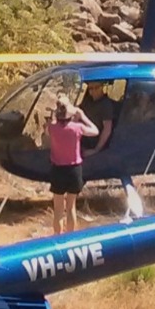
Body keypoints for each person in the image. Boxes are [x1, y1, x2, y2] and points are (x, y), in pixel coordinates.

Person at [45, 96, 100, 233]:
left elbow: (47, 130)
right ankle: (70, 238)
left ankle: (57, 238)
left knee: (58, 210)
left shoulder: (52, 128)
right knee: (71, 207)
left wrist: (53, 118)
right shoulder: (78, 128)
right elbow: (95, 131)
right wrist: (82, 116)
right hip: (74, 170)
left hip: (57, 170)